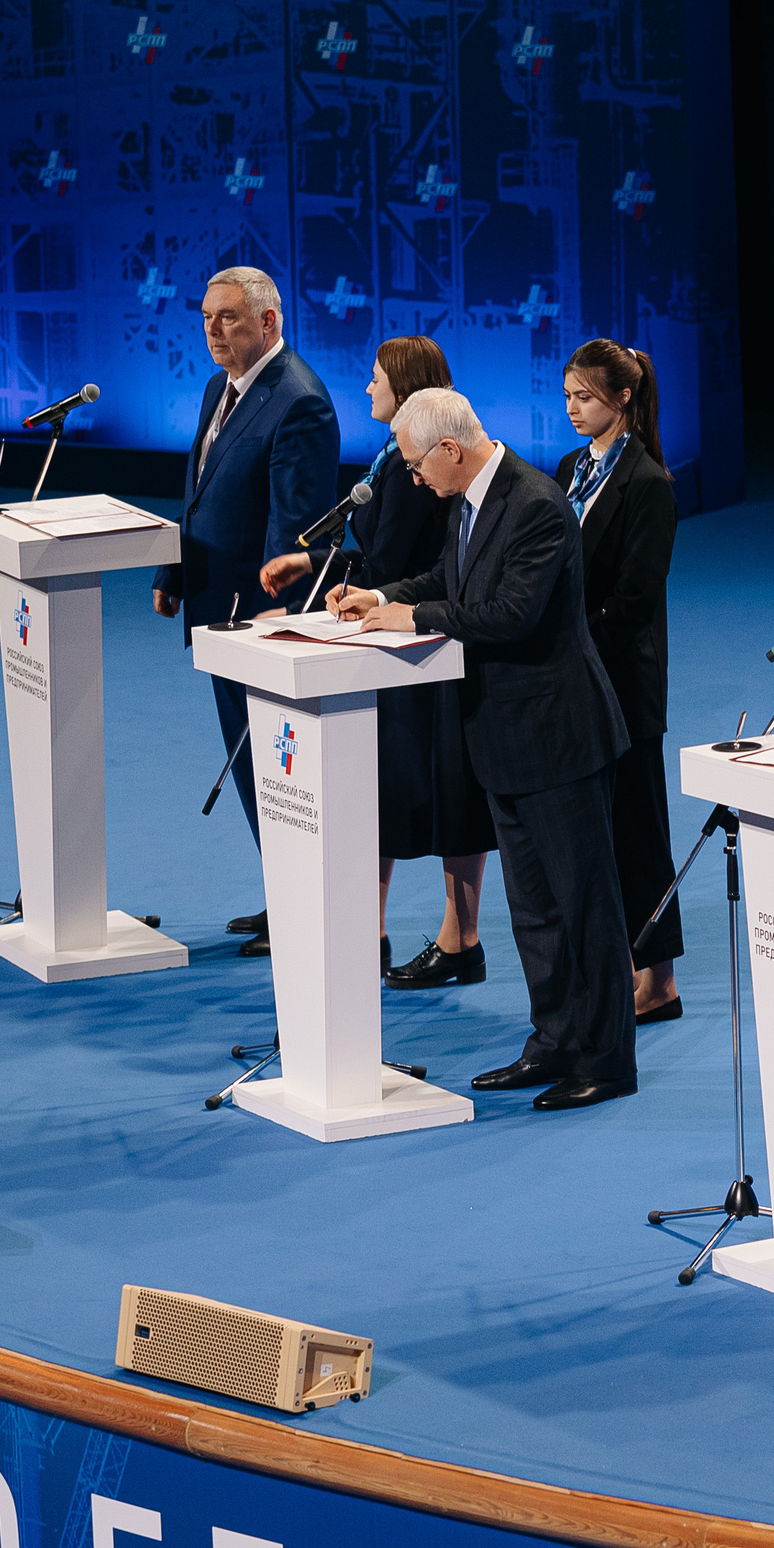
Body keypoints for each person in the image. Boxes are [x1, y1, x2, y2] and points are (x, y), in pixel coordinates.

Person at [328, 390, 636, 1112]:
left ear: (451, 450)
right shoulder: (467, 499)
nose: (413, 478)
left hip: (558, 735)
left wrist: (414, 616)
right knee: (534, 909)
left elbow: (509, 614)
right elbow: (452, 579)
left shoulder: (536, 504)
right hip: (502, 736)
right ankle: (555, 1040)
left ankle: (606, 1060)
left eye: (415, 465)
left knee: (583, 904)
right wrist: (381, 597)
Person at [258, 336, 494, 983]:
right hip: (394, 640)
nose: (367, 388)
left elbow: (397, 563)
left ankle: (455, 939)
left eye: (375, 379)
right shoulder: (392, 457)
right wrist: (314, 561)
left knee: (444, 793)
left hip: (425, 649)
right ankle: (372, 930)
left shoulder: (414, 469)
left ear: (406, 387)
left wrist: (345, 590)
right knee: (380, 788)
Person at [152, 267, 338, 957]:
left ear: (268, 321)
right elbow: (200, 489)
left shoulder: (299, 401)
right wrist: (174, 569)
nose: (212, 329)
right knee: (252, 767)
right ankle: (287, 893)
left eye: (227, 317)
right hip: (214, 603)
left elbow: (294, 530)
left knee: (282, 770)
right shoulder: (219, 387)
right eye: (206, 316)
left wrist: (274, 623)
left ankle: (313, 908)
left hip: (256, 619)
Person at [552, 340, 682, 1023]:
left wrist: (569, 643)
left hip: (624, 682)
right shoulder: (572, 468)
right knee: (593, 831)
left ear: (623, 397)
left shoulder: (648, 483)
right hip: (574, 674)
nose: (573, 410)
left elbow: (634, 599)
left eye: (586, 397)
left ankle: (659, 981)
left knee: (638, 832)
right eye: (568, 396)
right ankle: (616, 969)